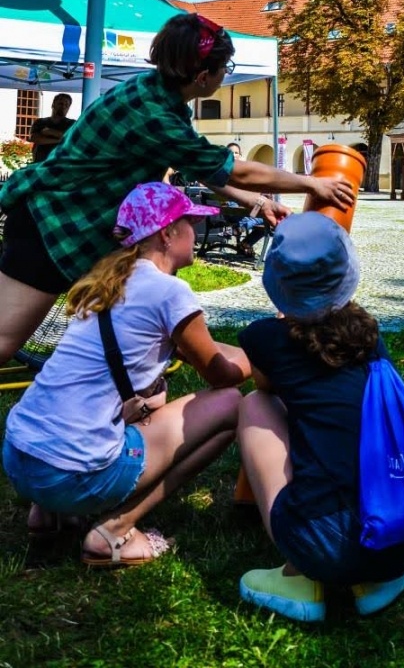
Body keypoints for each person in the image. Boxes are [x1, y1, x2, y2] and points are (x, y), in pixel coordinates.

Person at [0, 13, 354, 364]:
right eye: (223, 70)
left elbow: (199, 165)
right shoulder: (155, 115)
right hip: (51, 228)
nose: (223, 76)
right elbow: (234, 170)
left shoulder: (154, 95)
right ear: (202, 77)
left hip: (65, 226)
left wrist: (257, 204)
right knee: (3, 340)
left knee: (117, 337)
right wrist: (310, 181)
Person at [2, 182, 251, 565]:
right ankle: (115, 532)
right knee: (231, 406)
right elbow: (222, 376)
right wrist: (261, 353)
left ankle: (48, 514)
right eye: (190, 224)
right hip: (71, 475)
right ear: (168, 234)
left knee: (149, 395)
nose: (195, 233)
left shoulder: (105, 283)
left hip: (20, 456)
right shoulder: (170, 291)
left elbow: (200, 346)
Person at [236, 211, 404, 622]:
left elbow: (268, 387)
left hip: (323, 546)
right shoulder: (371, 339)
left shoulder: (264, 339)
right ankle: (375, 581)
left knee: (255, 404)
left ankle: (299, 576)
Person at [29, 93, 75, 163]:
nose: (63, 106)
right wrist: (60, 140)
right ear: (53, 105)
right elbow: (35, 139)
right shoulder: (40, 122)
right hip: (41, 163)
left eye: (66, 105)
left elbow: (73, 138)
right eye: (60, 103)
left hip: (61, 164)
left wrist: (51, 132)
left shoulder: (72, 124)